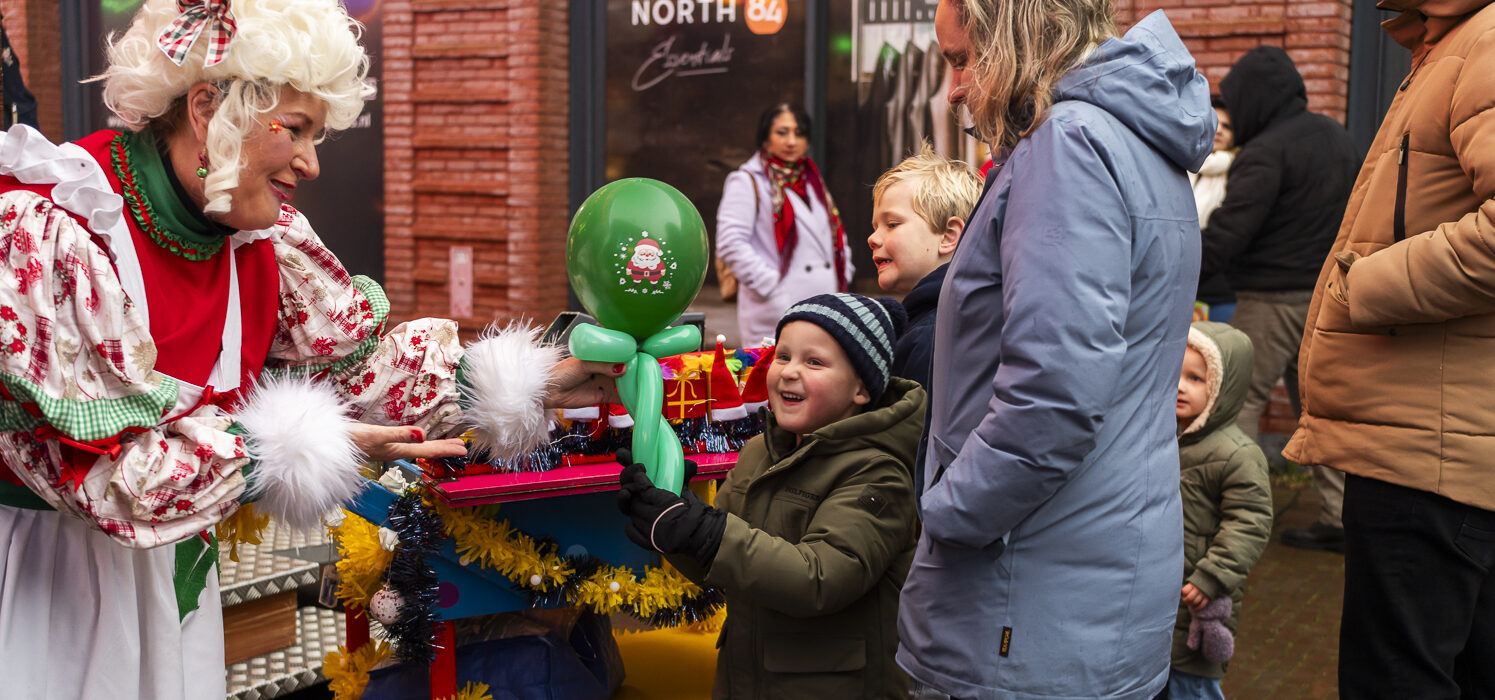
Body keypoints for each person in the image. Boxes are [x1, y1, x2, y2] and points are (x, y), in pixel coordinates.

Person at [0, 2, 619, 698]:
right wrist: (286, 451)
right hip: (46, 585)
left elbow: (358, 371)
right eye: (294, 130)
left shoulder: (263, 240)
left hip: (173, 576)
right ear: (207, 109)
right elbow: (112, 483)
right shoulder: (53, 230)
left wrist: (532, 382)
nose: (312, 164)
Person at [896, 1, 1214, 698]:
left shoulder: (1067, 145)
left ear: (1013, 32)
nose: (953, 88)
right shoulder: (1127, 139)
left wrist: (948, 511)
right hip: (1087, 571)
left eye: (960, 58)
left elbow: (1053, 396)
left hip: (1029, 585)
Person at [1285, 1, 1495, 696]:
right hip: (1434, 444)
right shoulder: (1444, 47)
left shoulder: (1482, 42)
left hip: (1427, 457)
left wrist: (1368, 285)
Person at [616, 292, 923, 699]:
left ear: (861, 389)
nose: (789, 372)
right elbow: (725, 565)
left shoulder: (878, 473)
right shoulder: (758, 451)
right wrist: (676, 521)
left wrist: (708, 533)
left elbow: (821, 578)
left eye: (814, 362)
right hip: (745, 680)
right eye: (783, 356)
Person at [1198, 46, 1358, 553]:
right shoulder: (1336, 137)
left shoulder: (1266, 151)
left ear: (1255, 100)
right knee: (1324, 410)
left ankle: (1236, 523)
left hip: (1272, 298)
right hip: (1333, 296)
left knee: (1236, 403)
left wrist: (1173, 274)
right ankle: (1339, 520)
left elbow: (1228, 234)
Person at [1170, 322, 1273, 700]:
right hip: (1161, 590)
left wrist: (1212, 576)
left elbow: (1250, 521)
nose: (1180, 386)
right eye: (1175, 374)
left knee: (1192, 684)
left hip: (1200, 596)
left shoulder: (1237, 454)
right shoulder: (1163, 436)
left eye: (1196, 378)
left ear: (1222, 389)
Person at [716, 103, 855, 345]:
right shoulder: (746, 181)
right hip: (777, 310)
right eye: (782, 132)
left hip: (827, 304)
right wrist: (772, 288)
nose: (791, 141)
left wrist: (845, 271)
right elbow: (730, 243)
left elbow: (833, 234)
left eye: (799, 133)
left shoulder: (810, 179)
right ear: (765, 138)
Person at [867, 144, 982, 393]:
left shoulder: (929, 336)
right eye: (876, 226)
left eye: (892, 224)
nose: (873, 239)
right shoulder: (942, 318)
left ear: (948, 235)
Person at [1191, 96, 1238, 323]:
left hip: (1218, 283)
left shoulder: (1238, 170)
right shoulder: (1185, 165)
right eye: (1215, 122)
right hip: (1183, 274)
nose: (1219, 131)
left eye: (1227, 127)